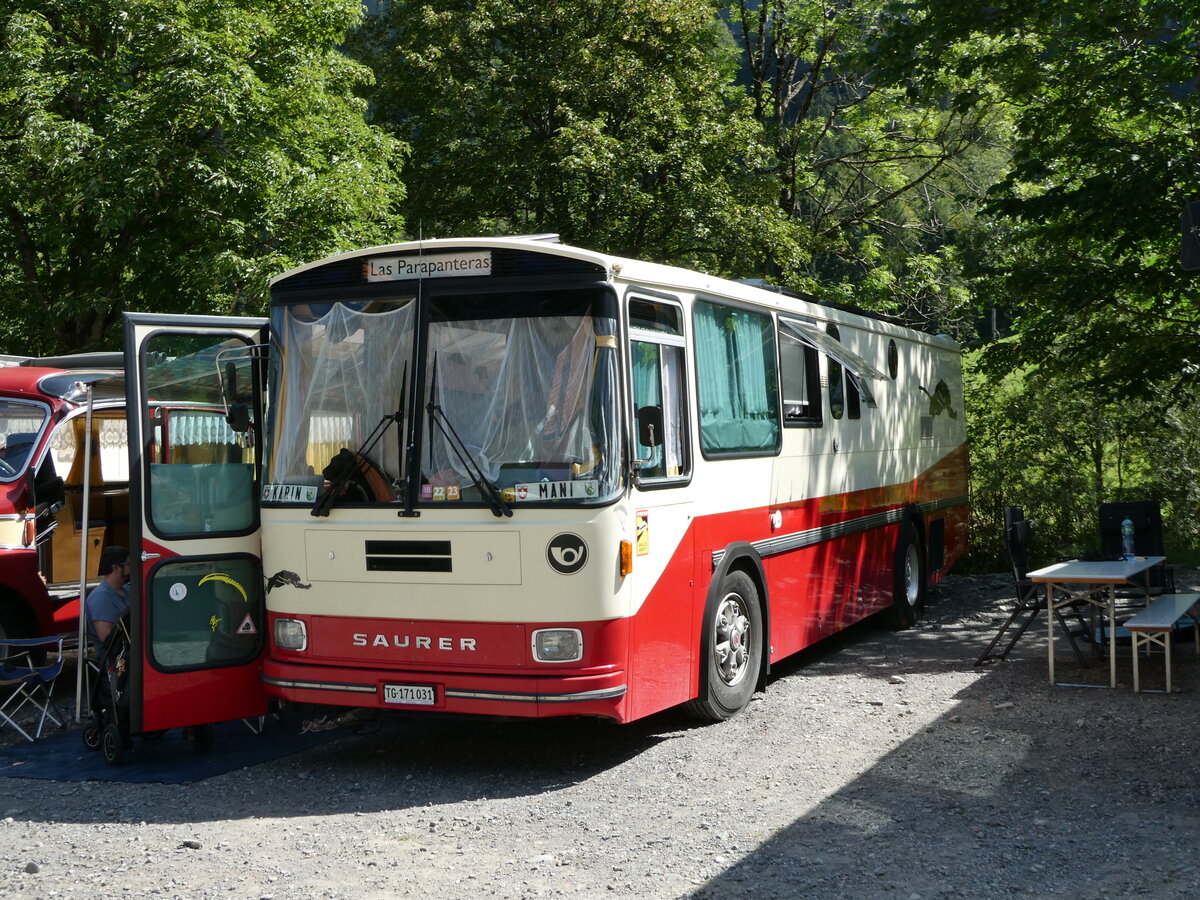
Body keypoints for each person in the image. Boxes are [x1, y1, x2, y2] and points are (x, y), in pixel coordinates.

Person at [85, 545, 131, 647]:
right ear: (117, 568)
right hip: (118, 657)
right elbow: (107, 638)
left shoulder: (127, 590)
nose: (132, 569)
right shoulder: (100, 598)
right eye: (129, 564)